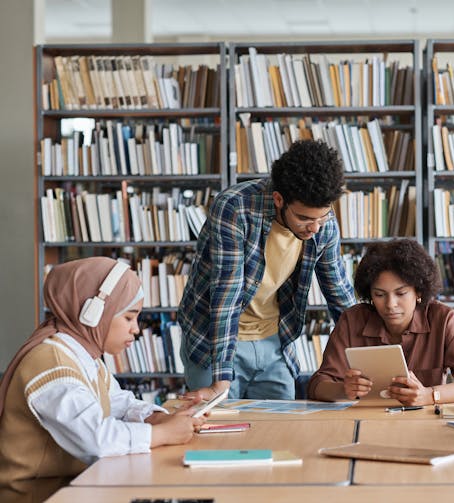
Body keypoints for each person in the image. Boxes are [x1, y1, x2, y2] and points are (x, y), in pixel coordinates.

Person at [0, 257, 203, 503]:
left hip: (78, 487)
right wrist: (161, 434)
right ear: (93, 314)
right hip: (42, 497)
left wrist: (159, 418)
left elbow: (119, 402)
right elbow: (96, 440)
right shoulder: (52, 362)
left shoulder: (83, 356)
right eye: (129, 318)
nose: (136, 329)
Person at [178, 140, 357, 402]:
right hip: (215, 343)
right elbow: (226, 295)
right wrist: (220, 382)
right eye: (305, 219)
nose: (315, 228)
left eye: (323, 216)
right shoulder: (235, 208)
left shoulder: (322, 224)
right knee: (219, 435)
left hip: (275, 342)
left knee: (281, 436)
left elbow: (341, 297)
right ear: (278, 199)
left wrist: (371, 361)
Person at [308, 239, 454, 405]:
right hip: (366, 423)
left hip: (423, 423)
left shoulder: (443, 319)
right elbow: (318, 385)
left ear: (418, 292)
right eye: (379, 295)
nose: (390, 304)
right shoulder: (352, 320)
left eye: (401, 293)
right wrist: (343, 390)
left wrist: (428, 395)